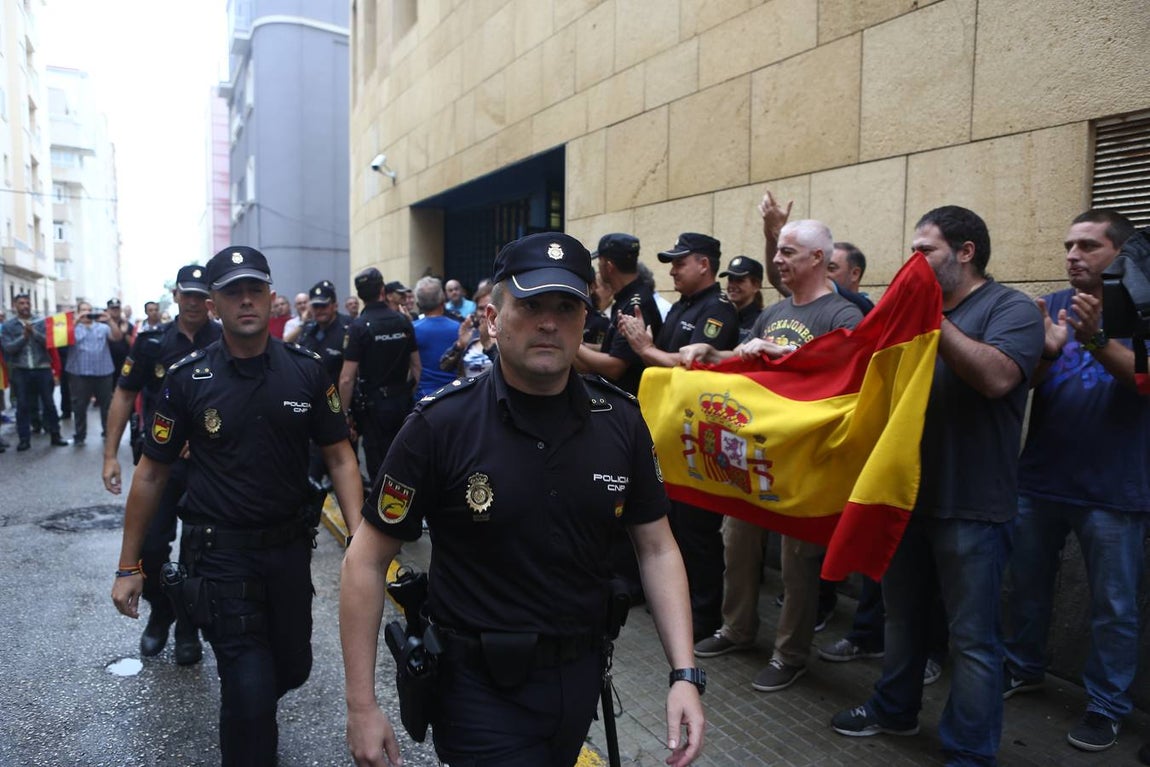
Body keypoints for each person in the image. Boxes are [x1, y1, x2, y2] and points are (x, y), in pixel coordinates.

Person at [340, 231, 705, 767]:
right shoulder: (440, 426)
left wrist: (684, 674)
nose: (549, 322)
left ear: (587, 322)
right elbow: (366, 561)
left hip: (579, 679)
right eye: (531, 305)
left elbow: (657, 548)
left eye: (566, 306)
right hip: (477, 691)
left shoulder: (621, 422)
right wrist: (361, 705)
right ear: (492, 317)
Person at [111, 246, 364, 767]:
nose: (245, 300)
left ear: (272, 300)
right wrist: (129, 566)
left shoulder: (308, 371)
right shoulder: (187, 378)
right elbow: (152, 471)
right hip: (220, 556)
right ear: (215, 305)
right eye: (232, 292)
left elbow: (339, 455)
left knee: (291, 668)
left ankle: (254, 716)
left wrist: (361, 541)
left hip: (289, 551)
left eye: (255, 289)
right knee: (248, 689)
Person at [830, 206, 1044, 767]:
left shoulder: (1011, 308)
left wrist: (932, 320)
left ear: (966, 252)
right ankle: (894, 709)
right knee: (902, 620)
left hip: (973, 505)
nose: (914, 262)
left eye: (926, 251)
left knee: (973, 641)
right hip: (905, 499)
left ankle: (969, 752)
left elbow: (997, 377)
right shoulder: (911, 312)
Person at [684, 220, 862, 695]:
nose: (778, 261)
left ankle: (790, 654)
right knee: (736, 539)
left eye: (787, 252)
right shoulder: (774, 311)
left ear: (817, 259)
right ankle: (737, 629)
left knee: (798, 561)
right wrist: (714, 356)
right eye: (778, 251)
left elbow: (847, 379)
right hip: (756, 458)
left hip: (807, 463)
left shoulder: (844, 317)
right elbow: (750, 368)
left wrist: (781, 351)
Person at [1003, 209, 1148, 753]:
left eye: (1087, 246)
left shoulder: (1144, 307)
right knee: (1026, 585)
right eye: (1068, 245)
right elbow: (1031, 381)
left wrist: (1092, 339)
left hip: (1114, 489)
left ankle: (1107, 705)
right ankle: (1023, 668)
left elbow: (1144, 383)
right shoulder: (1053, 306)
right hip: (1041, 478)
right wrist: (1043, 354)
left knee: (1114, 605)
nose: (1071, 255)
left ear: (1121, 254)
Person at [618, 231, 739, 640]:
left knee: (698, 531)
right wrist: (652, 347)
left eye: (679, 262)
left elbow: (692, 367)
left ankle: (704, 619)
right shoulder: (683, 306)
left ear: (703, 264)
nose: (672, 269)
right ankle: (675, 603)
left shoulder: (717, 309)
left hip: (697, 438)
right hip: (668, 433)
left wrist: (644, 351)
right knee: (672, 524)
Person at [103, 264, 223, 664]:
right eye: (185, 294)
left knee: (197, 552)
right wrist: (109, 456)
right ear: (175, 297)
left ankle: (189, 625)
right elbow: (124, 395)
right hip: (159, 466)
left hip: (209, 466)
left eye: (199, 294)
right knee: (151, 548)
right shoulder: (152, 341)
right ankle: (162, 610)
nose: (192, 301)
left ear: (210, 299)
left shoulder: (225, 340)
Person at [339, 268, 420, 479]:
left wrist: (344, 414)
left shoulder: (357, 327)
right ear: (382, 290)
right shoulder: (403, 321)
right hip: (402, 401)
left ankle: (382, 509)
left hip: (374, 407)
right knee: (403, 459)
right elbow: (417, 367)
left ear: (360, 295)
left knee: (379, 465)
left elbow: (347, 378)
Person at [574, 233, 665, 395]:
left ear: (609, 266)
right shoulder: (627, 297)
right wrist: (587, 347)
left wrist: (573, 345)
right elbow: (617, 348)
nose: (599, 268)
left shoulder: (635, 304)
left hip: (632, 402)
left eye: (600, 261)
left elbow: (615, 367)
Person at [296, 280, 354, 488]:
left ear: (335, 305)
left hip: (339, 411)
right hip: (311, 411)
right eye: (316, 305)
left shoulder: (348, 329)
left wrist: (350, 415)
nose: (319, 310)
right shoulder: (308, 331)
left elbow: (353, 375)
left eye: (324, 305)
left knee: (342, 470)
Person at [1, 293, 69, 450]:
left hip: (42, 368)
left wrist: (34, 333)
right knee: (22, 406)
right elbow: (8, 348)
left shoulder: (41, 322)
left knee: (49, 404)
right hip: (21, 370)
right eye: (21, 303)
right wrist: (24, 337)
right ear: (15, 306)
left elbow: (50, 343)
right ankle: (24, 439)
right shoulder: (9, 326)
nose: (25, 306)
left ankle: (55, 435)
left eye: (27, 303)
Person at [65, 300, 122, 445]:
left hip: (103, 372)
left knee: (106, 406)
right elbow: (64, 339)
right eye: (83, 310)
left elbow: (117, 337)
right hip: (79, 373)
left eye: (89, 310)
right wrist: (76, 320)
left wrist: (109, 320)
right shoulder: (72, 328)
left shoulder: (102, 327)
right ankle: (80, 435)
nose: (86, 313)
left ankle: (107, 433)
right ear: (78, 312)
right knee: (79, 406)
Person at [411, 276, 462, 399]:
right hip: (454, 393)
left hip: (424, 396)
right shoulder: (459, 328)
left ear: (418, 303)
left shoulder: (412, 329)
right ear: (443, 298)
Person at [439, 280, 497, 378]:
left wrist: (488, 345)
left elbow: (511, 373)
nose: (484, 313)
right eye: (481, 308)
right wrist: (459, 345)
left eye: (488, 308)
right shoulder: (472, 335)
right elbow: (444, 366)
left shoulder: (509, 336)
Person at [718, 255, 765, 343]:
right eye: (730, 279)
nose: (732, 285)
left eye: (740, 280)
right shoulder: (723, 315)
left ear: (756, 285)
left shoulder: (762, 320)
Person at [105, 299, 133, 374]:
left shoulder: (128, 324)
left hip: (125, 361)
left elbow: (132, 344)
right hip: (107, 361)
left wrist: (125, 333)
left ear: (120, 309)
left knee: (125, 382)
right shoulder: (103, 324)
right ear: (108, 310)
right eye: (112, 308)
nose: (115, 310)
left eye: (117, 308)